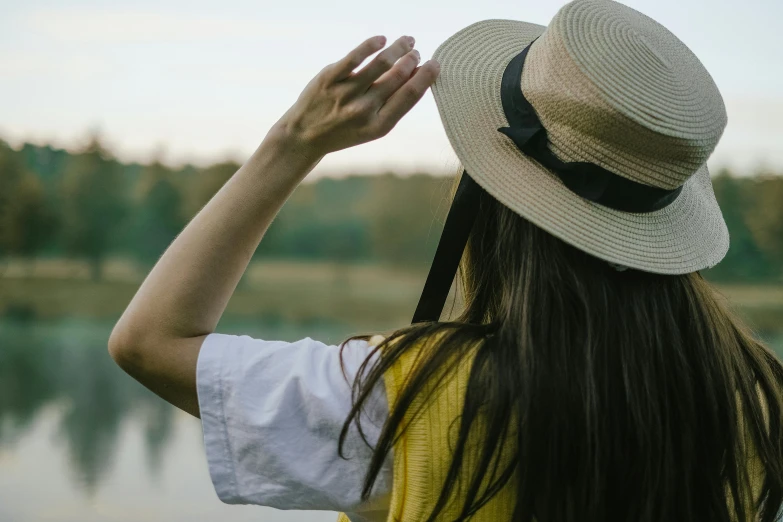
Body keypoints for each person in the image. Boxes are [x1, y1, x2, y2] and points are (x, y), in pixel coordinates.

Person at [109, 0, 783, 521]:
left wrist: (291, 145)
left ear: (492, 200)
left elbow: (149, 342)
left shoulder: (397, 401)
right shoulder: (758, 398)